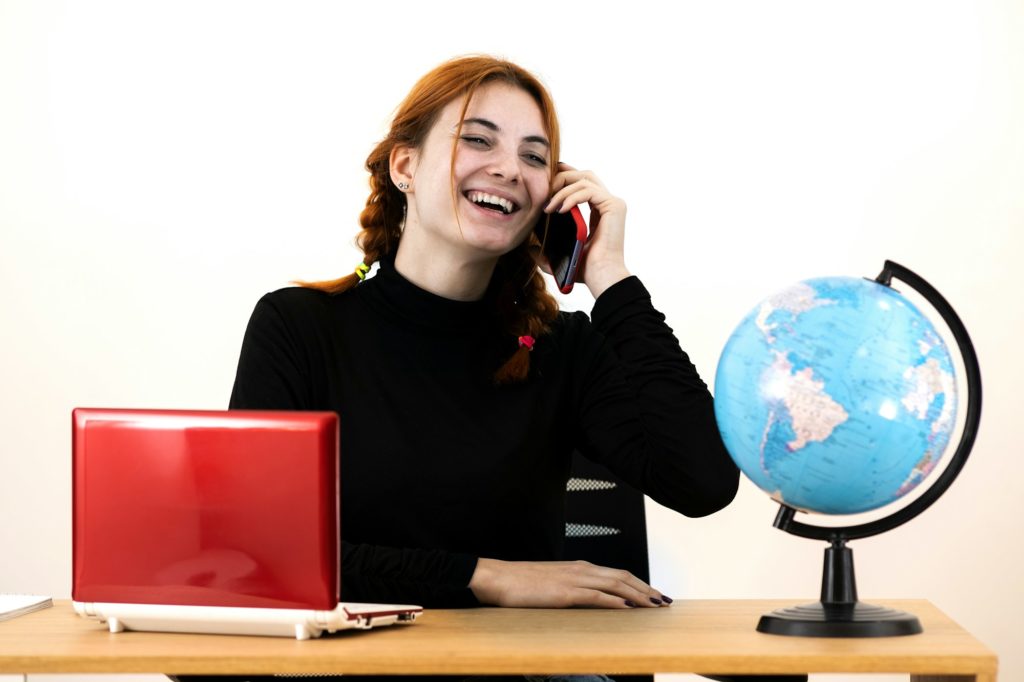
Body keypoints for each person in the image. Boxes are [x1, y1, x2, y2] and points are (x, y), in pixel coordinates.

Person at [217, 55, 743, 682]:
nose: (508, 169)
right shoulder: (300, 326)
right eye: (477, 139)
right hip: (353, 670)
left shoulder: (560, 347)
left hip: (522, 672)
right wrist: (486, 576)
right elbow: (261, 555)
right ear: (405, 165)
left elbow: (705, 481)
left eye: (533, 156)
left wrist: (609, 277)